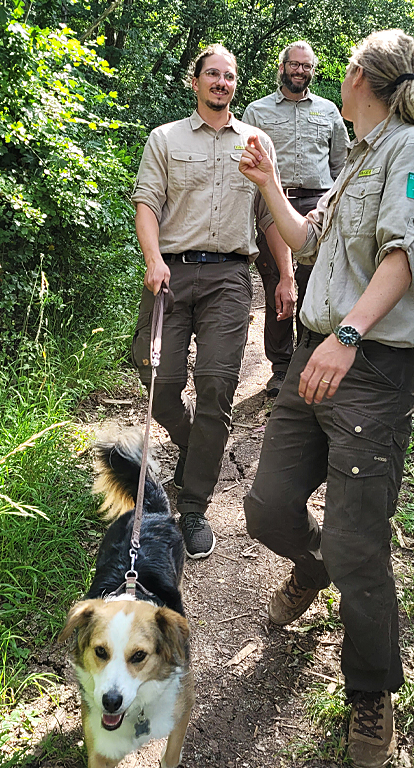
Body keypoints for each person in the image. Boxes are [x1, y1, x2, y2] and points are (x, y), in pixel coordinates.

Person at [238, 30, 414, 767]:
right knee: (268, 508)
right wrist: (268, 179)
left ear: (361, 74)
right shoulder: (359, 155)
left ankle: (370, 697)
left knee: (359, 544)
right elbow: (305, 241)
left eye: (342, 66)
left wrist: (351, 335)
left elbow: (406, 254)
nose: (334, 74)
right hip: (312, 358)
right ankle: (311, 564)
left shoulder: (413, 154)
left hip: (366, 368)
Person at [130, 44, 285, 560]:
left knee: (217, 385)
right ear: (194, 81)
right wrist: (153, 259)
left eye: (230, 76)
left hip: (229, 277)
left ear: (236, 85)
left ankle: (193, 506)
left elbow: (270, 217)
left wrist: (285, 274)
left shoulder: (257, 143)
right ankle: (196, 447)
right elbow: (148, 204)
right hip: (171, 274)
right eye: (213, 74)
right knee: (158, 377)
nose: (222, 82)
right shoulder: (165, 139)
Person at [242, 41, 348, 397]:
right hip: (272, 205)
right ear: (282, 66)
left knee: (314, 287)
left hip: (317, 205)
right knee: (276, 286)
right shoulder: (256, 111)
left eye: (306, 66)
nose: (300, 71)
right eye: (295, 65)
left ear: (312, 71)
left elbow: (341, 167)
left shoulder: (329, 111)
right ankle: (281, 367)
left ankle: (306, 361)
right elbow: (244, 163)